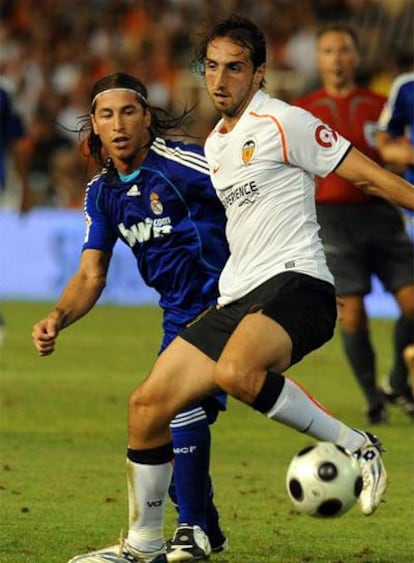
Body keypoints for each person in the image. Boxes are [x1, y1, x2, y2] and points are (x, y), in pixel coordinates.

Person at [41, 15, 414, 563]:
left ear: (260, 73)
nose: (220, 80)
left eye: (234, 68)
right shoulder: (216, 144)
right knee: (147, 405)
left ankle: (356, 444)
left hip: (296, 283)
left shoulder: (286, 120)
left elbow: (369, 177)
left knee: (235, 372)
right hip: (235, 299)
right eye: (211, 67)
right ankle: (144, 544)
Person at [31, 72, 229, 562]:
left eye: (128, 112)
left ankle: (185, 533)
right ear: (93, 128)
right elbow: (91, 275)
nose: (118, 124)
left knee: (170, 406)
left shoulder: (188, 165)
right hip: (178, 317)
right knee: (158, 423)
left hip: (231, 303)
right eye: (106, 115)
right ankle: (203, 527)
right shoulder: (102, 193)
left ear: (147, 120)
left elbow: (257, 196)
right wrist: (57, 315)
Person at [293, 24, 414, 425]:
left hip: (381, 212)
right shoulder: (303, 110)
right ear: (320, 59)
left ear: (355, 58)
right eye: (328, 51)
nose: (338, 58)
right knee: (354, 313)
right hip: (332, 218)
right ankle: (372, 400)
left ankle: (396, 379)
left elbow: (395, 152)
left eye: (344, 50)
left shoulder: (380, 104)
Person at [376, 71, 414, 394]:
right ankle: (400, 377)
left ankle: (398, 379)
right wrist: (404, 155)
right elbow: (383, 144)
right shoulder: (406, 88)